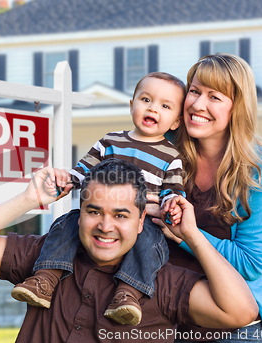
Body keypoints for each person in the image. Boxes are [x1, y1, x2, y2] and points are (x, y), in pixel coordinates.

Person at [0, 159, 259, 343]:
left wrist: (191, 235)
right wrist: (28, 200)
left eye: (120, 215)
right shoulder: (47, 259)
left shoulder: (159, 282)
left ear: (140, 222)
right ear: (78, 214)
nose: (105, 226)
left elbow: (240, 312)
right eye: (94, 211)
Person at [11, 72, 187, 326]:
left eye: (165, 106)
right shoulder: (110, 141)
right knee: (67, 223)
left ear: (175, 122)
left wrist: (172, 204)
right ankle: (45, 279)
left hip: (141, 220)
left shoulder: (171, 156)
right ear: (132, 105)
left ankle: (128, 295)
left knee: (150, 243)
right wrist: (66, 180)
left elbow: (173, 190)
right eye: (146, 99)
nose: (153, 108)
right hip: (98, 213)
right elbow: (83, 170)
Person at [154, 53, 262, 343]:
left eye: (215, 97)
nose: (198, 105)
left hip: (233, 319)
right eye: (195, 91)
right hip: (166, 305)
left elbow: (251, 263)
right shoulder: (163, 149)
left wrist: (185, 236)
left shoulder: (256, 168)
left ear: (236, 108)